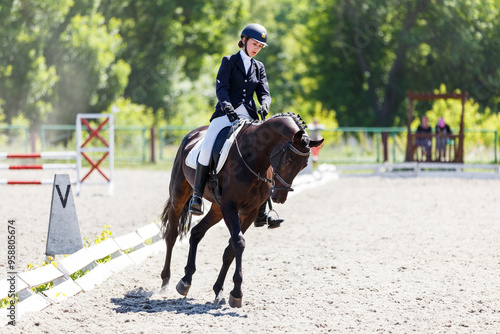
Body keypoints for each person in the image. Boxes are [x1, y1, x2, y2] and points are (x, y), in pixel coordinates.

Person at [188, 23, 283, 229]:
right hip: (225, 115)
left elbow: (264, 92)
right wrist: (227, 106)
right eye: (254, 43)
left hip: (249, 116)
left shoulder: (259, 67)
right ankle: (196, 196)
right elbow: (221, 88)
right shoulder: (229, 61)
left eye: (260, 46)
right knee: (207, 147)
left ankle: (263, 209)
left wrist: (265, 104)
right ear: (244, 40)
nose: (256, 48)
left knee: (263, 153)